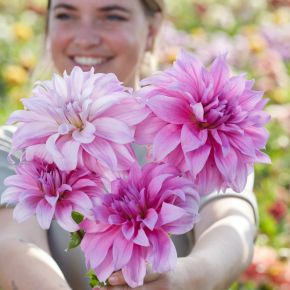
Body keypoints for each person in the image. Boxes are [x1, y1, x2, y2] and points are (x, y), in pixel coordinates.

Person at [0, 0, 258, 289]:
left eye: (112, 15)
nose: (85, 37)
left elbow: (232, 226)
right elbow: (13, 243)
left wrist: (182, 279)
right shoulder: (17, 143)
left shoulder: (190, 128)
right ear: (47, 27)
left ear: (151, 29)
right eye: (65, 14)